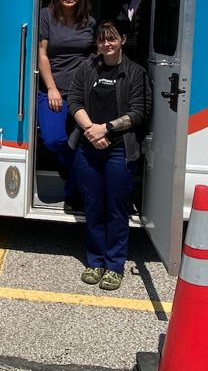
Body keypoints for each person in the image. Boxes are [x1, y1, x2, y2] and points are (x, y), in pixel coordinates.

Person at [66, 20, 152, 291]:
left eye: (112, 38)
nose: (107, 44)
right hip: (88, 148)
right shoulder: (86, 68)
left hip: (119, 149)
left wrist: (106, 129)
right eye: (102, 39)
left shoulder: (135, 73)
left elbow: (139, 112)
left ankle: (114, 265)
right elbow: (74, 101)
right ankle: (95, 261)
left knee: (116, 208)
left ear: (123, 40)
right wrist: (90, 130)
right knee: (93, 206)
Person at [36, 0, 96, 208]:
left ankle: (74, 194)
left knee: (84, 141)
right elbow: (42, 54)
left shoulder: (89, 22)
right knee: (54, 139)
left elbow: (94, 53)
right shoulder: (46, 16)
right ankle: (67, 164)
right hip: (55, 89)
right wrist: (51, 88)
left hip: (82, 91)